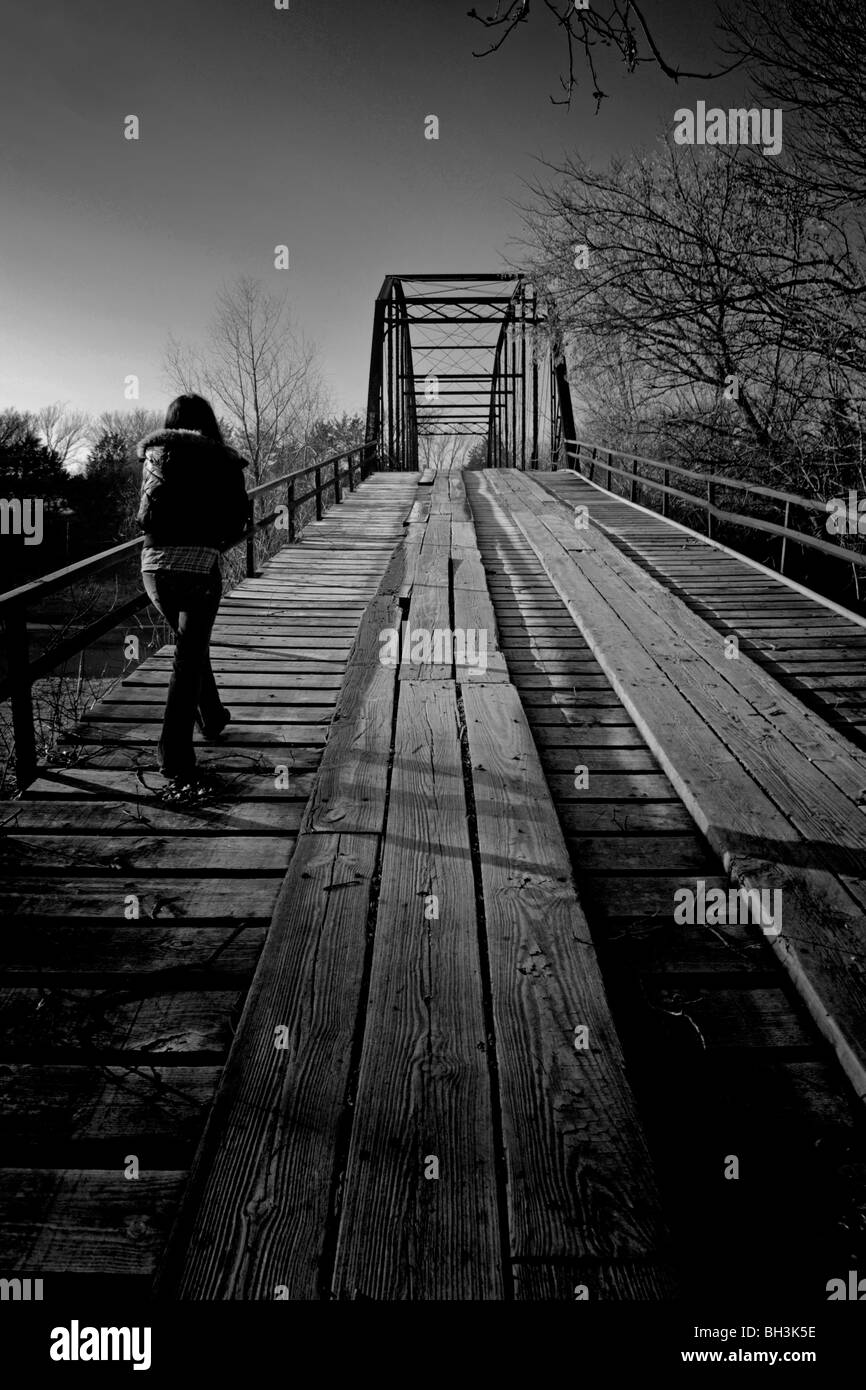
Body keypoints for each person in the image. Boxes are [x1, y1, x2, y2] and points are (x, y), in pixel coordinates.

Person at [136, 394, 250, 789]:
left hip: (153, 569)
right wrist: (214, 541)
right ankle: (174, 755)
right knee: (188, 657)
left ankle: (213, 716)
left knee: (190, 647)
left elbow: (145, 514)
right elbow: (239, 521)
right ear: (209, 422)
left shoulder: (153, 454)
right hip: (198, 566)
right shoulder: (222, 458)